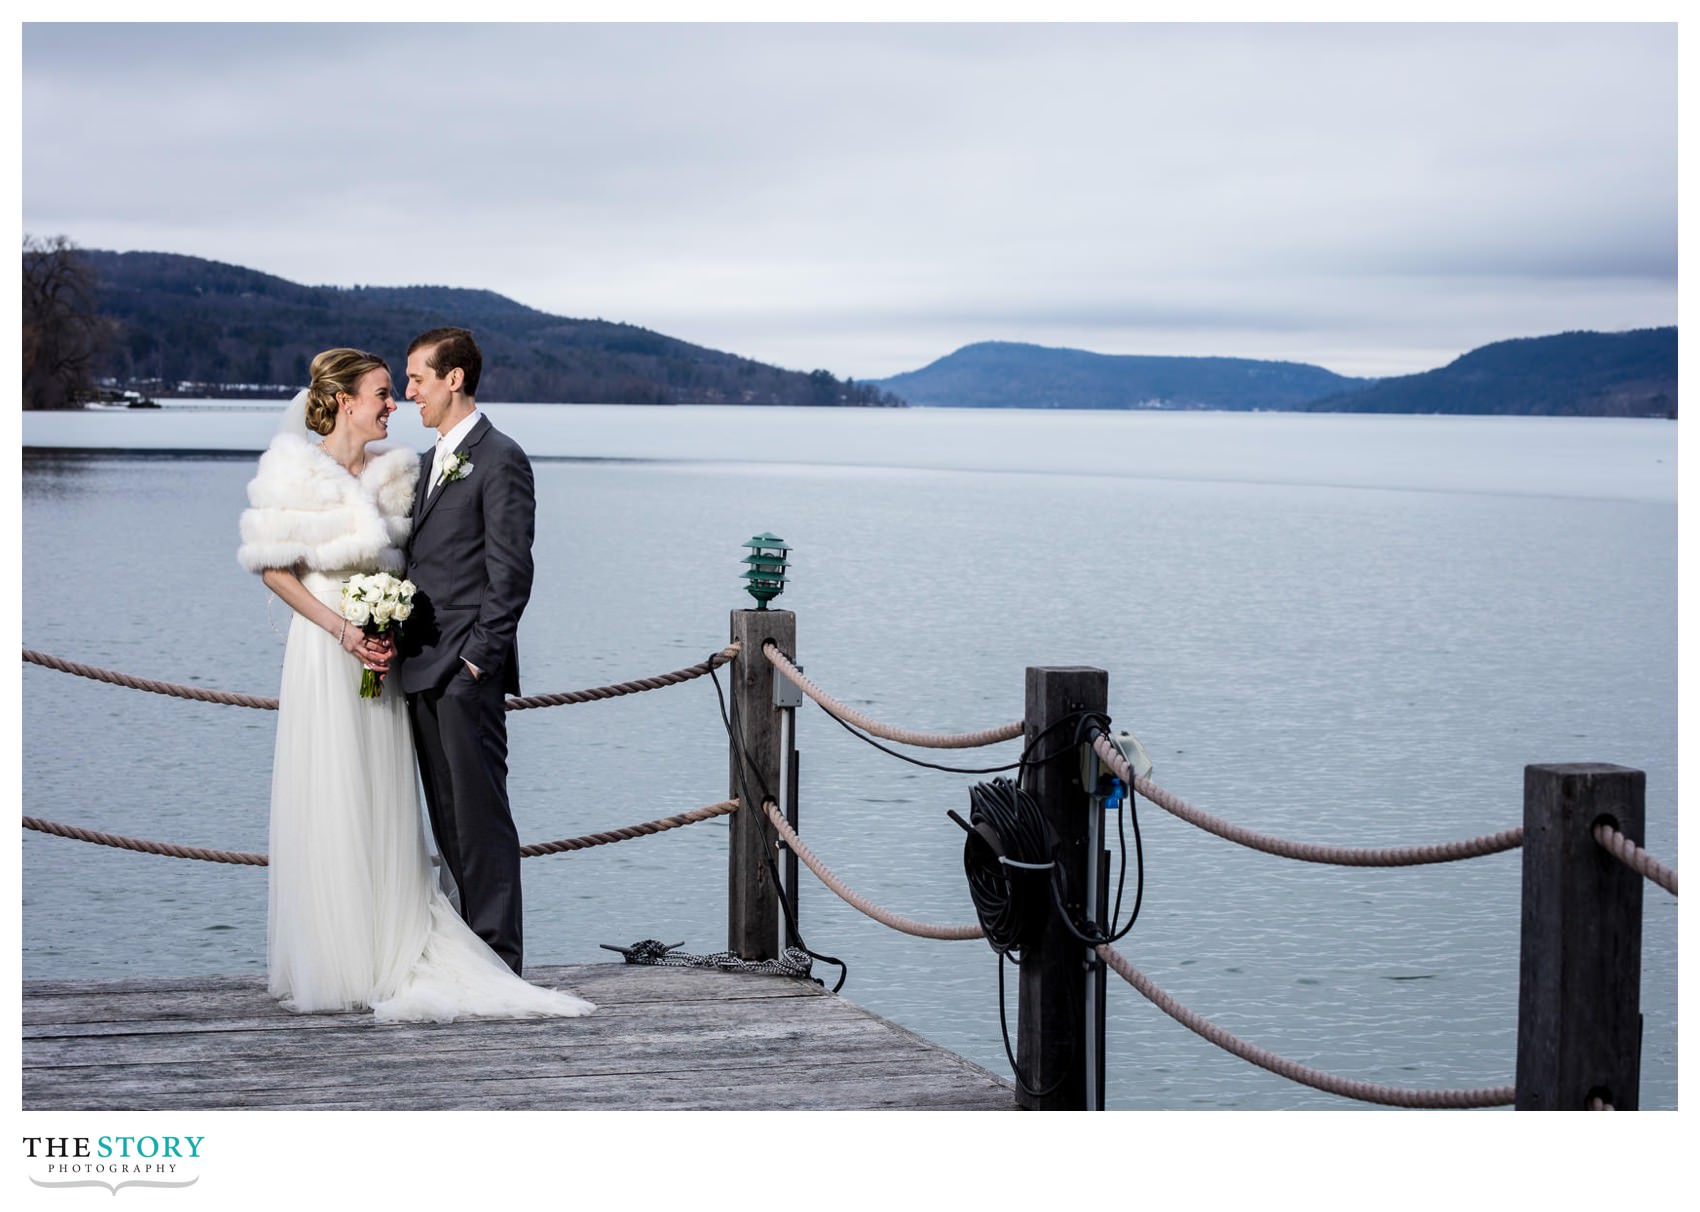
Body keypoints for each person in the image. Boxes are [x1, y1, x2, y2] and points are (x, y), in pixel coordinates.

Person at [237, 346, 591, 1023]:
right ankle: (337, 956)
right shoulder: (303, 470)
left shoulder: (410, 470)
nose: (397, 399)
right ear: (345, 401)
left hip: (405, 666)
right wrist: (343, 628)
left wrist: (456, 653)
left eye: (410, 382)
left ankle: (443, 955)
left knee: (393, 809)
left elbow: (484, 571)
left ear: (451, 380)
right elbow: (272, 564)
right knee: (331, 800)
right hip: (330, 658)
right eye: (383, 391)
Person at [398, 327, 535, 974]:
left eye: (418, 378)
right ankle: (465, 954)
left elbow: (511, 575)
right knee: (448, 824)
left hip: (464, 674)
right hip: (421, 668)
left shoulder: (501, 457)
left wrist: (476, 662)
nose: (409, 392)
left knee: (482, 822)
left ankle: (498, 960)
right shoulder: (426, 464)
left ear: (454, 379)